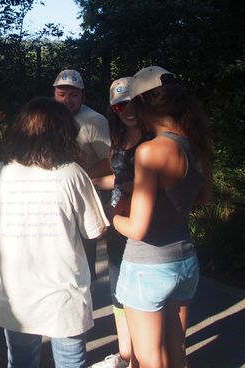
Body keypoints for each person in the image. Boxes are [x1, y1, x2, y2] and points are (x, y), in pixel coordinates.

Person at [0, 97, 108, 368]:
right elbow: (94, 231)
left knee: (20, 364)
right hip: (64, 297)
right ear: (65, 133)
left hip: (17, 297)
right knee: (70, 363)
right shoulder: (72, 174)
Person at [112, 67, 212, 368]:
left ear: (142, 106)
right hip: (184, 261)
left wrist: (110, 215)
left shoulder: (150, 151)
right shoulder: (199, 144)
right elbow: (203, 198)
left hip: (147, 268)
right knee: (175, 349)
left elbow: (137, 228)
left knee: (149, 357)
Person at [91, 77, 148, 368]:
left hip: (141, 224)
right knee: (118, 291)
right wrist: (84, 176)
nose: (128, 109)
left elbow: (132, 182)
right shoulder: (118, 139)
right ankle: (125, 356)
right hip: (117, 224)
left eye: (133, 101)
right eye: (120, 105)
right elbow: (112, 166)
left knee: (141, 296)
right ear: (113, 109)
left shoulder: (153, 141)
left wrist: (94, 182)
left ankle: (142, 357)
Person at [53, 68, 111, 279]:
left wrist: (81, 178)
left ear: (83, 95)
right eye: (62, 94)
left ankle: (88, 294)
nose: (67, 100)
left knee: (83, 257)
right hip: (54, 196)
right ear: (54, 94)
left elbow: (110, 160)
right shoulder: (50, 117)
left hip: (82, 194)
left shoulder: (95, 121)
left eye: (74, 94)